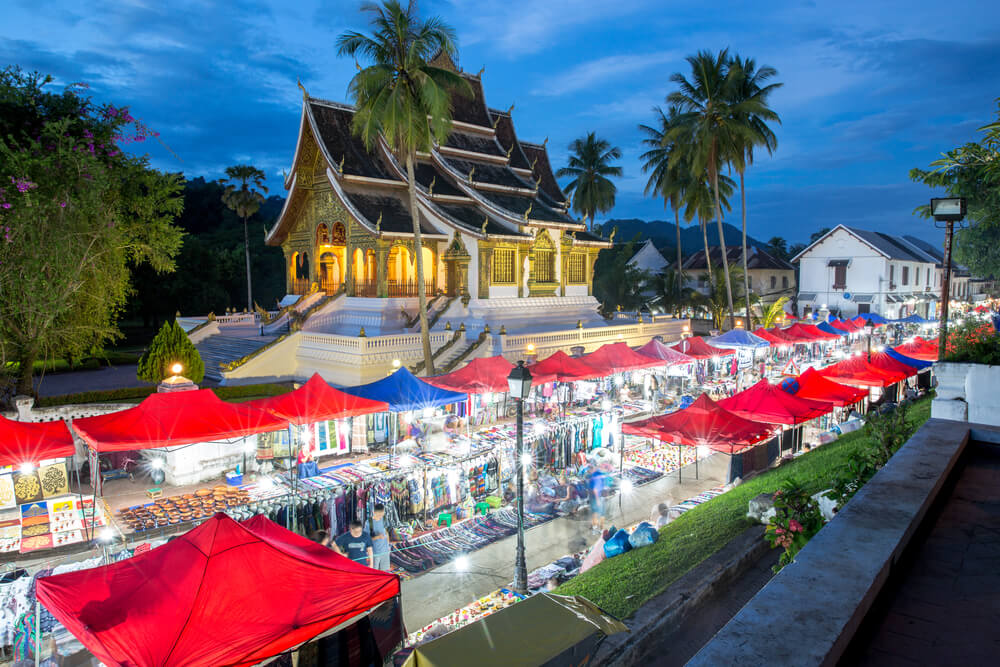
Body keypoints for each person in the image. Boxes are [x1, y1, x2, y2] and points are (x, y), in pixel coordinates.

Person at [366, 503, 391, 571]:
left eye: (382, 514)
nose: (380, 516)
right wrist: (378, 537)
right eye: (379, 514)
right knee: (375, 570)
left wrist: (388, 545)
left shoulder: (384, 519)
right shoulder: (369, 522)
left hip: (385, 550)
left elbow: (386, 532)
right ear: (374, 512)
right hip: (375, 552)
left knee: (385, 570)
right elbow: (366, 539)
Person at [588, 468, 606, 534]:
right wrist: (598, 500)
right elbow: (595, 490)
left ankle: (594, 528)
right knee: (601, 514)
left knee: (595, 513)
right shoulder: (598, 477)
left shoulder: (593, 476)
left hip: (593, 498)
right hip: (597, 498)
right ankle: (601, 529)